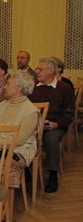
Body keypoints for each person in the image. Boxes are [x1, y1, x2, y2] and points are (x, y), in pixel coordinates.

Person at [29, 57, 75, 193]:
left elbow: (69, 113)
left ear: (50, 71)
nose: (37, 71)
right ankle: (25, 170)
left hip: (54, 125)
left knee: (51, 138)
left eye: (40, 69)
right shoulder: (32, 87)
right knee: (21, 135)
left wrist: (57, 124)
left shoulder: (64, 88)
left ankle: (53, 174)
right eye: (37, 69)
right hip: (34, 125)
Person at [0, 71, 39, 192]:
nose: (4, 87)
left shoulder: (31, 111)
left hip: (17, 151)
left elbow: (18, 139)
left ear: (18, 88)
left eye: (8, 84)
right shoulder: (2, 105)